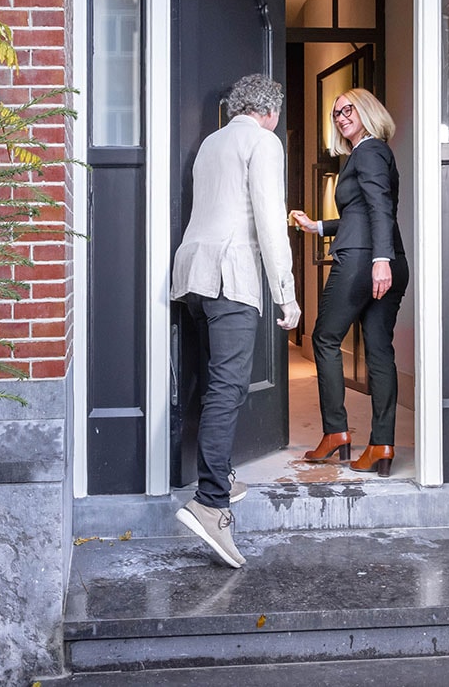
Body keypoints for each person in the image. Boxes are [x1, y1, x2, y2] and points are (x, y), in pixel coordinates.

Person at [171, 73, 301, 568]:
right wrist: (285, 295)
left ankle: (219, 477)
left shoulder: (211, 142)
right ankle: (211, 504)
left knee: (214, 385)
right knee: (228, 389)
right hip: (230, 277)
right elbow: (270, 221)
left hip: (196, 278)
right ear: (269, 111)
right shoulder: (263, 142)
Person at [290, 87, 408, 477]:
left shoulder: (370, 151)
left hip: (365, 261)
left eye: (347, 109)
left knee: (323, 338)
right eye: (335, 114)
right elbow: (363, 212)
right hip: (379, 257)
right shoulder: (367, 153)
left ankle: (336, 433)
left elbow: (379, 207)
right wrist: (318, 225)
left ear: (367, 109)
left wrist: (379, 260)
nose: (340, 117)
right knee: (378, 350)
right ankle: (381, 444)